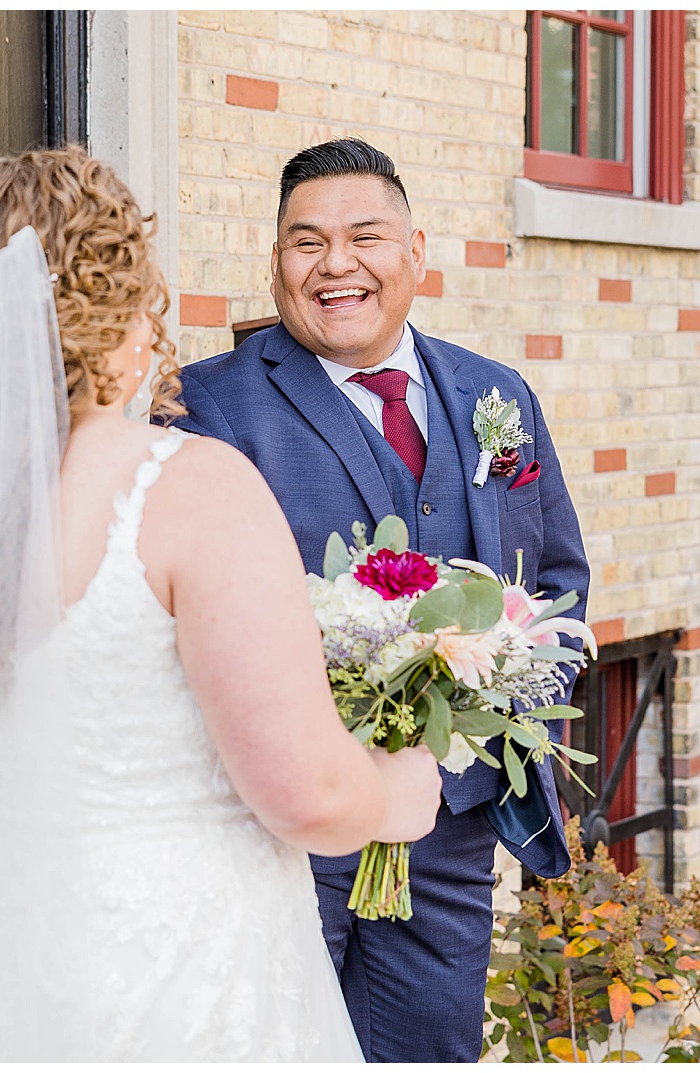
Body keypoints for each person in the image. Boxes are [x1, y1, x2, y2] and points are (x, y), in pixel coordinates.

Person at [0, 146, 445, 1062]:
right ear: (117, 311)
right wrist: (401, 790)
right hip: (156, 970)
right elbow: (308, 794)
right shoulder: (189, 487)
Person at [167, 138, 592, 1062]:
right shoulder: (205, 406)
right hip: (285, 835)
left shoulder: (495, 394)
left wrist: (497, 712)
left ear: (416, 252)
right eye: (306, 242)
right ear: (276, 262)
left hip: (453, 829)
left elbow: (557, 586)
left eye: (366, 236)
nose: (337, 265)